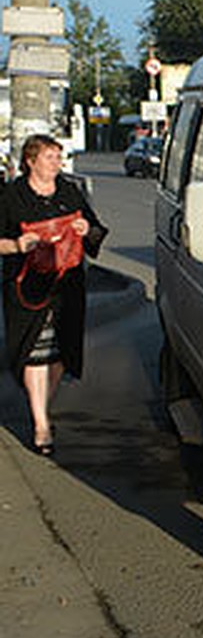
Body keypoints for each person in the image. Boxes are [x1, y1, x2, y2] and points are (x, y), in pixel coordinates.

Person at [0, 135, 104, 456]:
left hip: (67, 285)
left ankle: (42, 403)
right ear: (31, 161)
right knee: (33, 351)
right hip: (25, 286)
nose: (57, 163)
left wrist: (88, 230)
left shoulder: (70, 191)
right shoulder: (11, 196)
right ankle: (41, 423)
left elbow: (96, 227)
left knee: (60, 352)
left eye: (59, 157)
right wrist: (18, 245)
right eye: (50, 157)